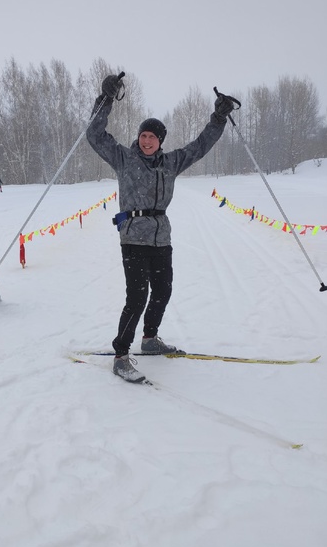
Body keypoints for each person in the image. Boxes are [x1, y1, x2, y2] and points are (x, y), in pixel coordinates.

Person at [86, 74, 234, 383]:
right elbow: (95, 135)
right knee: (137, 298)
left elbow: (201, 145)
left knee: (163, 291)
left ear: (160, 141)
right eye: (144, 136)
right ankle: (121, 356)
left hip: (160, 238)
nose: (147, 140)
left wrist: (218, 118)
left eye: (153, 137)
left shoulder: (172, 163)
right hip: (133, 237)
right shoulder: (123, 159)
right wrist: (106, 99)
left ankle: (150, 339)